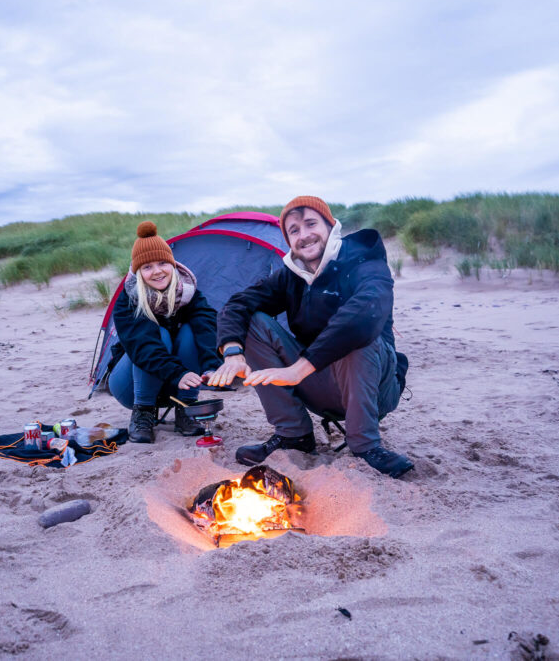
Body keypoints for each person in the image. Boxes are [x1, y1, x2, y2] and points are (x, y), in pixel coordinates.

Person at [207, 195, 414, 478]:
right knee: (254, 320)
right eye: (294, 230)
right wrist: (232, 353)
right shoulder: (291, 276)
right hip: (320, 384)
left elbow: (364, 312)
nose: (304, 235)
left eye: (310, 224)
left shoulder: (364, 258)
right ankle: (293, 435)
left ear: (330, 226)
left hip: (375, 385)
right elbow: (237, 305)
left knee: (354, 333)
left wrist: (298, 369)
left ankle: (365, 445)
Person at [108, 221, 222, 443]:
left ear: (173, 264)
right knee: (157, 336)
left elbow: (208, 326)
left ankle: (186, 408)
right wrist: (177, 374)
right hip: (130, 387)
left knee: (193, 330)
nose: (157, 271)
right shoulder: (129, 300)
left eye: (162, 263)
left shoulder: (188, 293)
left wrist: (212, 365)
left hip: (177, 384)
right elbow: (144, 347)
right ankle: (143, 413)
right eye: (147, 267)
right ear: (138, 272)